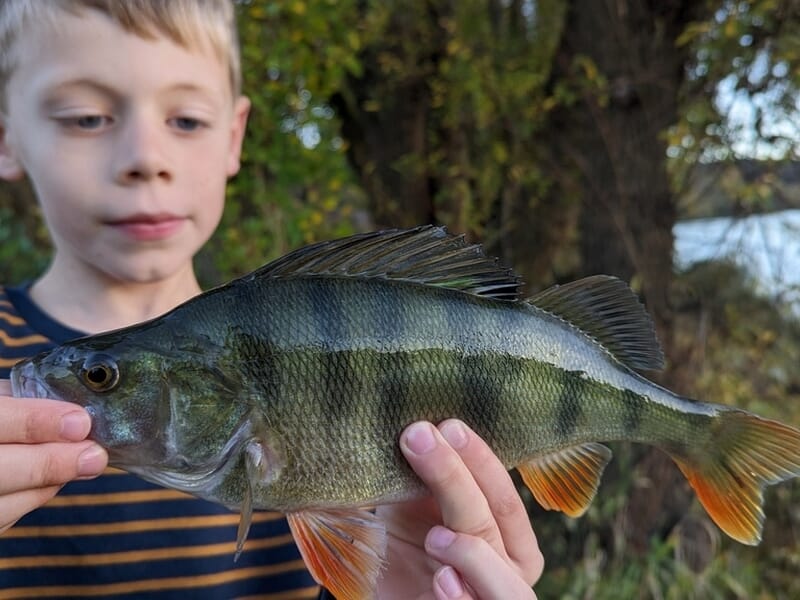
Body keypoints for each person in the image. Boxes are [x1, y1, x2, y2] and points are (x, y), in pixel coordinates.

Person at [0, 1, 543, 598]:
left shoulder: (255, 322)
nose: (144, 160)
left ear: (234, 136)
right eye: (86, 117)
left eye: (185, 120)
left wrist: (407, 588)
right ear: (5, 136)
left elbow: (355, 570)